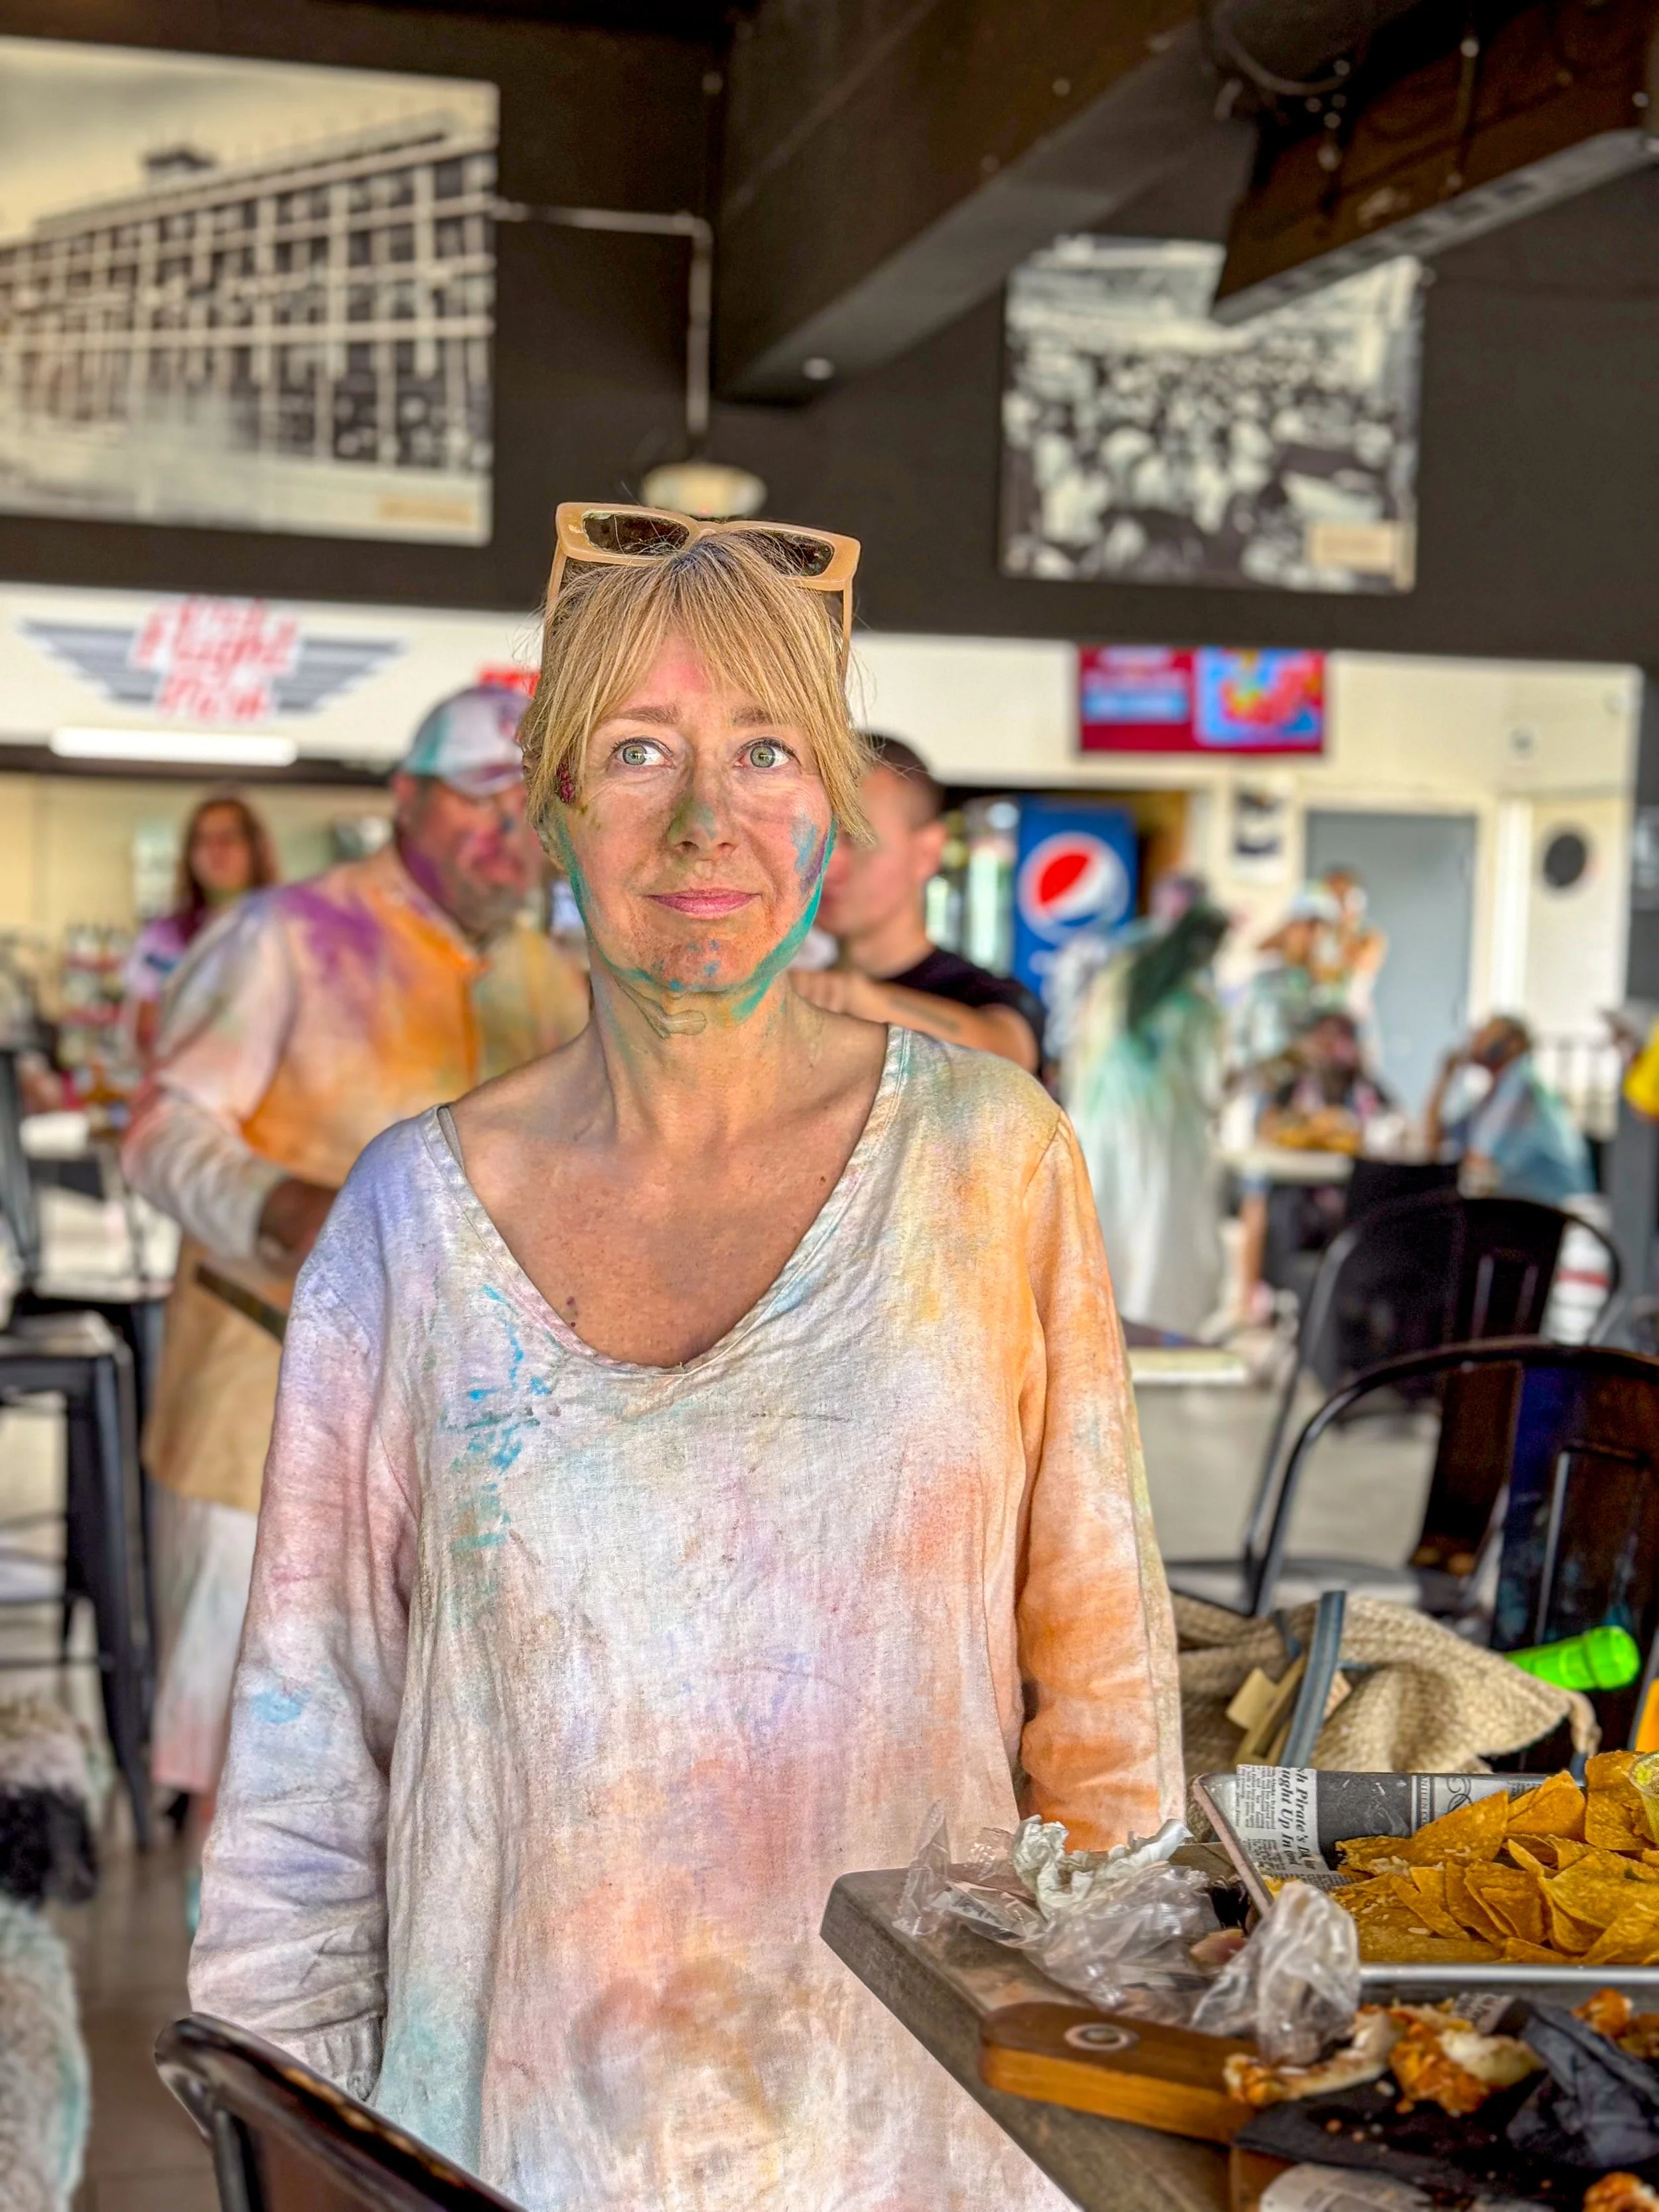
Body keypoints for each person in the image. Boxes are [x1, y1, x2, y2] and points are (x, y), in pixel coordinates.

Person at [188, 506, 1181, 2211]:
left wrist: (1117, 2107)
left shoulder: (986, 1164)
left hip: (915, 2149)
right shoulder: (407, 1227)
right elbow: (302, 1776)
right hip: (509, 2140)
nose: (705, 818)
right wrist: (295, 2143)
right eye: (637, 751)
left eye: (768, 751)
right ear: (554, 802)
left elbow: (1102, 1704)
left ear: (835, 807)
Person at [121, 686, 591, 1854]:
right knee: (259, 1773)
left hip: (472, 1437)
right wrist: (287, 1204)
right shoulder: (286, 932)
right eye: (480, 798)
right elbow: (163, 1132)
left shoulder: (552, 975)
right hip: (262, 1416)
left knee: (439, 1774)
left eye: (531, 805)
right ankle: (235, 2029)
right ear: (407, 796)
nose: (509, 831)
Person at [797, 732, 1043, 1069]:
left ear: (928, 851)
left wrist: (851, 997)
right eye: (818, 838)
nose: (828, 864)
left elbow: (1009, 1054)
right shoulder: (786, 989)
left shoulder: (986, 997)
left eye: (857, 839)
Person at [1062, 897, 1229, 1334]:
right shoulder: (1195, 1002)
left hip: (1101, 1126)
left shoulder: (1116, 979)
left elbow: (1078, 1055)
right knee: (1160, 1235)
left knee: (1109, 1226)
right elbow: (1208, 1080)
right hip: (1168, 1135)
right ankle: (1155, 1331)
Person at [122, 794, 278, 1061]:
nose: (214, 852)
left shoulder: (287, 935)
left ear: (255, 849)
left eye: (228, 839)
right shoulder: (164, 938)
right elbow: (143, 1034)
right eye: (203, 841)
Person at [1424, 1013, 1593, 1203]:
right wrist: (1445, 1076)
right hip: (1523, 1205)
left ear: (1513, 1044)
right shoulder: (1493, 1094)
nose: (1476, 1037)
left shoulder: (1520, 1087)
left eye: (1488, 1032)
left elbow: (1478, 1162)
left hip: (1555, 1209)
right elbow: (1434, 1139)